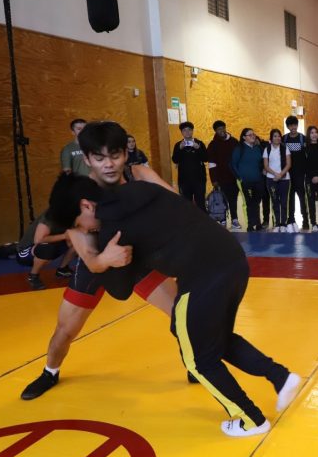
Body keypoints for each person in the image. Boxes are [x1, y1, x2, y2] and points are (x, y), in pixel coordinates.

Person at [48, 175, 301, 437]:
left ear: (86, 205)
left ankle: (251, 420)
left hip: (203, 278)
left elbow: (120, 291)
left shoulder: (113, 231)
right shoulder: (137, 189)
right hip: (233, 260)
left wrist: (103, 259)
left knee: (199, 361)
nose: (86, 230)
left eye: (79, 225)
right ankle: (280, 377)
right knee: (214, 339)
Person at [20, 122, 180, 400]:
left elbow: (178, 207)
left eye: (114, 155)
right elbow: (91, 261)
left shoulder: (140, 175)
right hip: (96, 263)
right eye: (99, 157)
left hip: (138, 259)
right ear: (87, 159)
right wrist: (105, 258)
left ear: (125, 154)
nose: (108, 164)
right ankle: (49, 372)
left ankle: (197, 362)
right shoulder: (76, 198)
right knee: (65, 330)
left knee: (183, 315)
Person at [16, 210, 75, 290]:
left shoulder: (72, 215)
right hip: (26, 251)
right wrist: (64, 236)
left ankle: (62, 269)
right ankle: (33, 276)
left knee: (78, 240)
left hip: (47, 245)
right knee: (47, 248)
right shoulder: (49, 217)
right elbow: (38, 240)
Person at [208, 120, 242, 229]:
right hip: (220, 178)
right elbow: (211, 164)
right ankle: (222, 220)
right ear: (215, 131)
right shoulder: (213, 145)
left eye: (223, 128)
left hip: (233, 177)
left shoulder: (234, 141)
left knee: (233, 199)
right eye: (219, 129)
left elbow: (239, 159)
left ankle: (234, 220)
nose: (221, 131)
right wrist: (214, 180)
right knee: (221, 200)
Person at [231, 128, 266, 232]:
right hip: (245, 181)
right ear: (244, 137)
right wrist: (240, 177)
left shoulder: (258, 148)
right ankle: (250, 224)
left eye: (253, 134)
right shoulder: (239, 149)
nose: (253, 136)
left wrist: (263, 172)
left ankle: (258, 223)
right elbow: (232, 164)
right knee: (248, 202)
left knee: (257, 202)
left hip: (258, 180)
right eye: (249, 135)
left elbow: (262, 162)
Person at [171, 121, 208, 211]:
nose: (187, 132)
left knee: (201, 204)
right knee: (186, 205)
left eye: (189, 130)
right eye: (184, 130)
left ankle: (202, 220)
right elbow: (175, 160)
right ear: (181, 132)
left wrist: (198, 148)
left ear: (192, 131)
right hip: (184, 181)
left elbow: (205, 158)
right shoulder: (178, 145)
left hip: (199, 180)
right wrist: (180, 149)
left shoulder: (199, 143)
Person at [264, 129, 292, 232]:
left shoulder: (285, 148)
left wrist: (280, 175)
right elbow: (266, 166)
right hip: (271, 179)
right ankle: (277, 223)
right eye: (275, 136)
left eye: (279, 136)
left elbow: (288, 164)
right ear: (271, 138)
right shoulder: (267, 149)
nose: (277, 138)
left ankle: (283, 223)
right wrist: (275, 174)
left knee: (284, 201)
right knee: (275, 201)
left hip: (284, 179)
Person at [283, 116, 309, 232]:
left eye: (295, 125)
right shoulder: (284, 139)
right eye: (290, 125)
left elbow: (307, 156)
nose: (293, 127)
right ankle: (291, 220)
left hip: (300, 174)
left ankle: (305, 220)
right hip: (288, 175)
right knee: (290, 198)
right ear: (288, 127)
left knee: (302, 198)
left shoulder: (303, 138)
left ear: (297, 125)